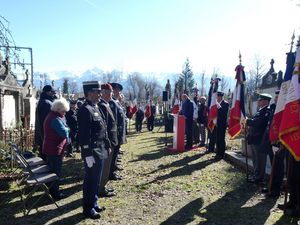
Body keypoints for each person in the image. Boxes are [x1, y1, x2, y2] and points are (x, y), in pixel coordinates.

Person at [77, 81, 111, 219]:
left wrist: (108, 145)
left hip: (101, 149)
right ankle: (88, 208)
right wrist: (87, 154)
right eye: (97, 92)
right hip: (92, 152)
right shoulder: (85, 110)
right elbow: (84, 135)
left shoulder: (96, 107)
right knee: (90, 180)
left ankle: (94, 202)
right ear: (89, 93)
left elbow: (103, 129)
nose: (100, 94)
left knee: (96, 180)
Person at [43, 98, 70, 200]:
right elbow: (64, 133)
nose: (64, 113)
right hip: (54, 149)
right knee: (55, 172)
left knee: (53, 171)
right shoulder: (54, 119)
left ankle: (51, 190)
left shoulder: (52, 116)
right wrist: (67, 129)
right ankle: (55, 193)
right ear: (58, 109)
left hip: (51, 148)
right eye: (63, 111)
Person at [246, 93, 272, 184]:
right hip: (254, 139)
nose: (258, 101)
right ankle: (255, 175)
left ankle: (259, 177)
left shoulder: (267, 112)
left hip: (260, 140)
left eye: (260, 100)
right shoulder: (260, 111)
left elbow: (258, 123)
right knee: (255, 159)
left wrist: (247, 121)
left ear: (265, 101)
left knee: (260, 160)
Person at [98, 83, 117, 197]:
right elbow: (105, 126)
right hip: (107, 141)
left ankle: (103, 186)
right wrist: (108, 142)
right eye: (110, 92)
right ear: (104, 93)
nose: (112, 94)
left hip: (111, 140)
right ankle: (100, 188)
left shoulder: (106, 104)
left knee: (107, 166)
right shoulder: (102, 105)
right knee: (105, 167)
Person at [109, 82, 126, 180]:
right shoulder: (111, 103)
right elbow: (113, 119)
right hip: (115, 132)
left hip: (118, 132)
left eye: (119, 91)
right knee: (113, 153)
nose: (118, 93)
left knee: (116, 152)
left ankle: (113, 168)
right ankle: (111, 172)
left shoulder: (116, 102)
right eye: (116, 90)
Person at [35, 85, 56, 160]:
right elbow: (50, 120)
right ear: (48, 92)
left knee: (43, 153)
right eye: (53, 92)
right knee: (48, 157)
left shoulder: (43, 101)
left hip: (42, 133)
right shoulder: (47, 103)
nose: (54, 94)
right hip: (47, 134)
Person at [208, 91, 229, 160]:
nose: (218, 98)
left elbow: (223, 113)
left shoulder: (225, 104)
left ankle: (221, 154)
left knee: (221, 139)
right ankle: (217, 153)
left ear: (221, 97)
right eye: (217, 96)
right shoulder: (215, 104)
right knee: (217, 139)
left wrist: (218, 107)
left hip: (222, 124)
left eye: (219, 96)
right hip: (216, 124)